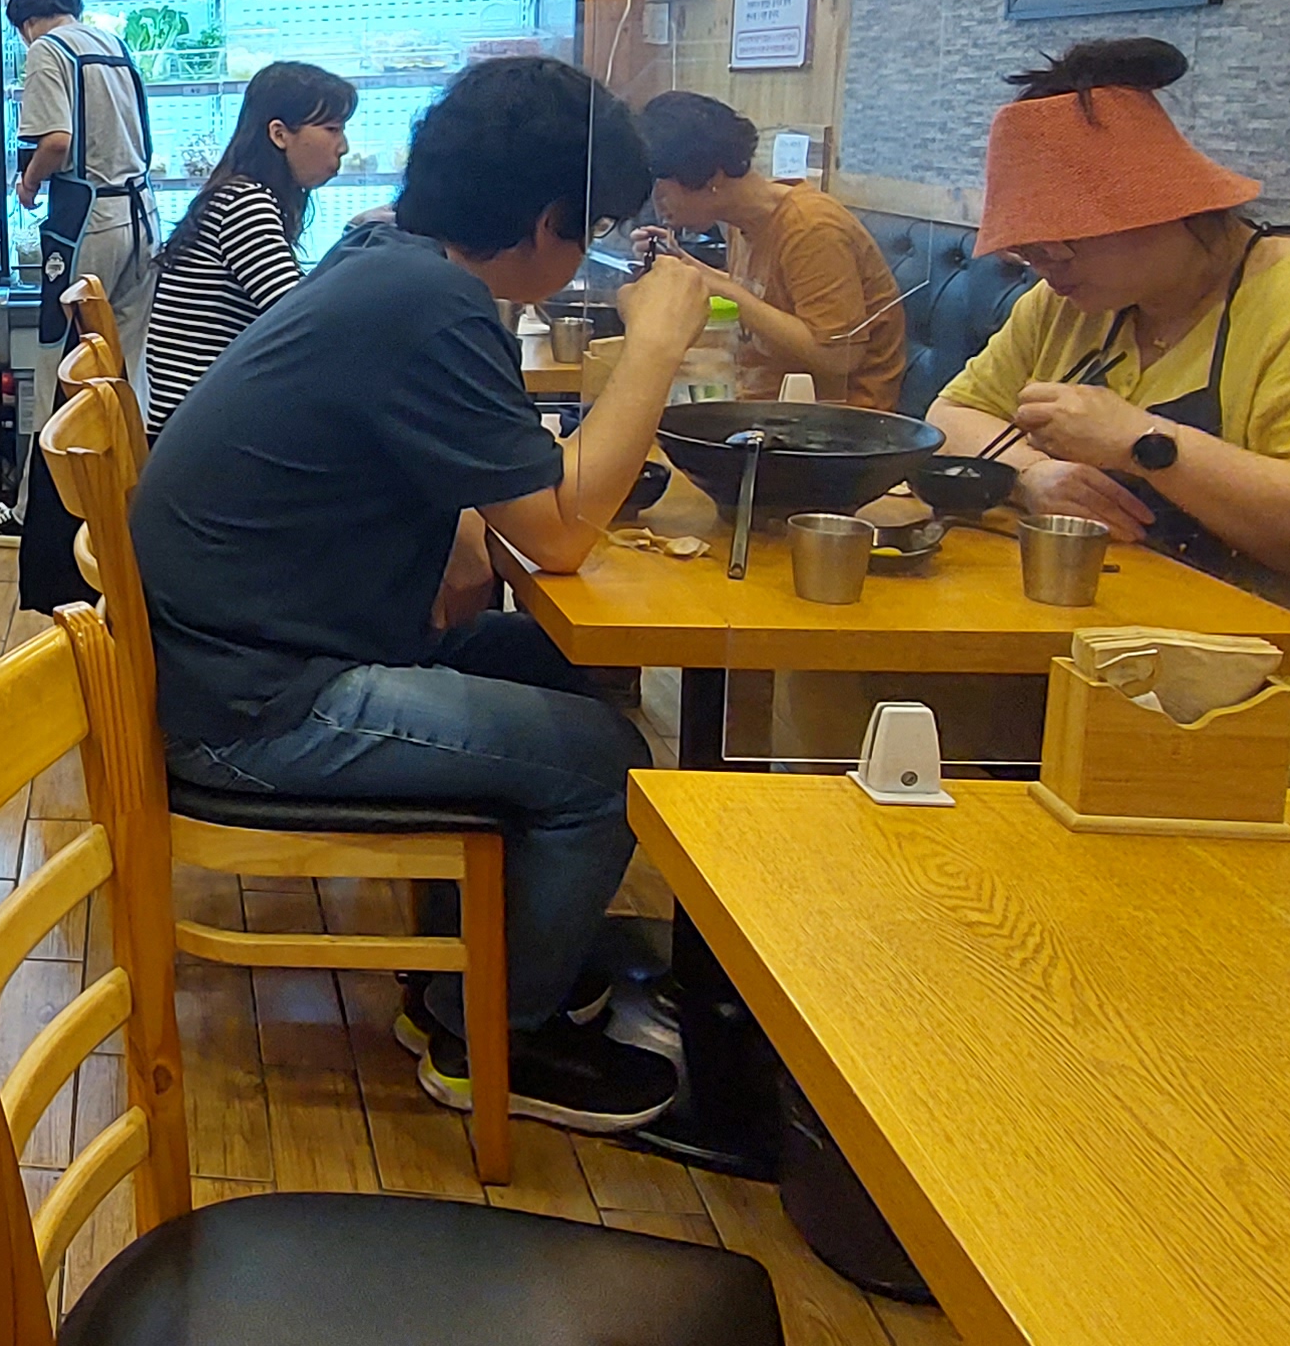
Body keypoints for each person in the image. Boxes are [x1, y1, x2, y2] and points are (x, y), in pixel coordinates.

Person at [130, 55, 726, 1133]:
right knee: (604, 763)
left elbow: (466, 483)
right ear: (545, 222)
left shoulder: (384, 255)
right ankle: (490, 1036)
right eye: (591, 227)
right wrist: (653, 343)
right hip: (254, 703)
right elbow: (556, 535)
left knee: (561, 667)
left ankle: (488, 966)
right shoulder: (429, 300)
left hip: (253, 650)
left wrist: (464, 517)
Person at [928, 38, 1290, 778]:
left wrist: (1144, 444)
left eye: (1063, 246)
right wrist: (1035, 475)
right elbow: (952, 416)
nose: (1042, 266)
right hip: (1120, 672)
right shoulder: (1073, 302)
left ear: (1170, 208)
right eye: (1029, 251)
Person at [0, 0, 156, 557]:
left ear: (26, 24)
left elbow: (56, 141)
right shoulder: (112, 43)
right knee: (128, 369)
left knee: (62, 370)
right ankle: (133, 508)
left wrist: (27, 185)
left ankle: (34, 517)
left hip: (89, 223)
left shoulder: (48, 50)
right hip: (141, 214)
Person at [638, 91, 910, 408]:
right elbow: (767, 297)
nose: (657, 202)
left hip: (837, 419)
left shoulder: (810, 227)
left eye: (662, 187)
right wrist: (687, 265)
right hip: (762, 404)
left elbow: (839, 356)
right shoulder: (743, 221)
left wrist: (725, 290)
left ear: (711, 177)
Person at [141, 60, 355, 432]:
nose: (344, 147)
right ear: (279, 134)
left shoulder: (236, 193)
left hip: (195, 426)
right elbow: (299, 318)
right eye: (332, 129)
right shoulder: (245, 203)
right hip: (204, 437)